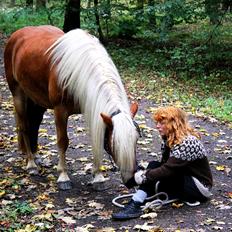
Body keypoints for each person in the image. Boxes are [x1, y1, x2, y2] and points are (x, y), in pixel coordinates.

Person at [112, 106, 213, 220]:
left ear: (174, 124)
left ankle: (136, 203)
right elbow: (165, 165)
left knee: (155, 169)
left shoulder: (188, 142)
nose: (157, 126)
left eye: (162, 123)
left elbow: (168, 170)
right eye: (157, 122)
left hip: (199, 188)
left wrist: (138, 178)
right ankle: (141, 197)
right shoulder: (169, 138)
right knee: (154, 165)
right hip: (183, 178)